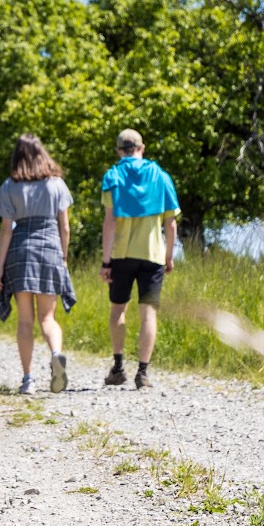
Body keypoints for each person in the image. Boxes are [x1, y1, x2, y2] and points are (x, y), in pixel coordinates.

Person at [0, 134, 76, 394]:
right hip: (50, 248)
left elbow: (6, 230)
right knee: (48, 318)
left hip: (20, 251)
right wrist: (63, 257)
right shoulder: (57, 184)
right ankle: (56, 354)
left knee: (25, 321)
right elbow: (65, 227)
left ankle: (28, 380)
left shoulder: (9, 186)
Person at [98, 128, 179, 389]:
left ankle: (118, 368)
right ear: (142, 148)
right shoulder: (161, 176)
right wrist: (168, 256)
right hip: (153, 255)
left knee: (118, 309)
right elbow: (171, 223)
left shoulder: (113, 176)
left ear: (119, 151)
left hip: (122, 255)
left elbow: (110, 222)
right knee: (148, 313)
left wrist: (106, 262)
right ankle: (143, 373)